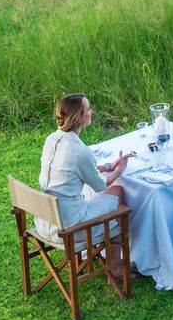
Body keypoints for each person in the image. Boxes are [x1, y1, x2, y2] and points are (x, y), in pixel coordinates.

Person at [36, 94, 130, 250]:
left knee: (97, 199)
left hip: (46, 221)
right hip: (69, 227)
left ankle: (101, 255)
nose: (91, 111)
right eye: (88, 108)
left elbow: (72, 168)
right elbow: (101, 186)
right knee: (117, 192)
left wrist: (108, 167)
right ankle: (116, 267)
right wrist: (120, 170)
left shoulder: (51, 139)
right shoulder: (80, 152)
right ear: (79, 118)